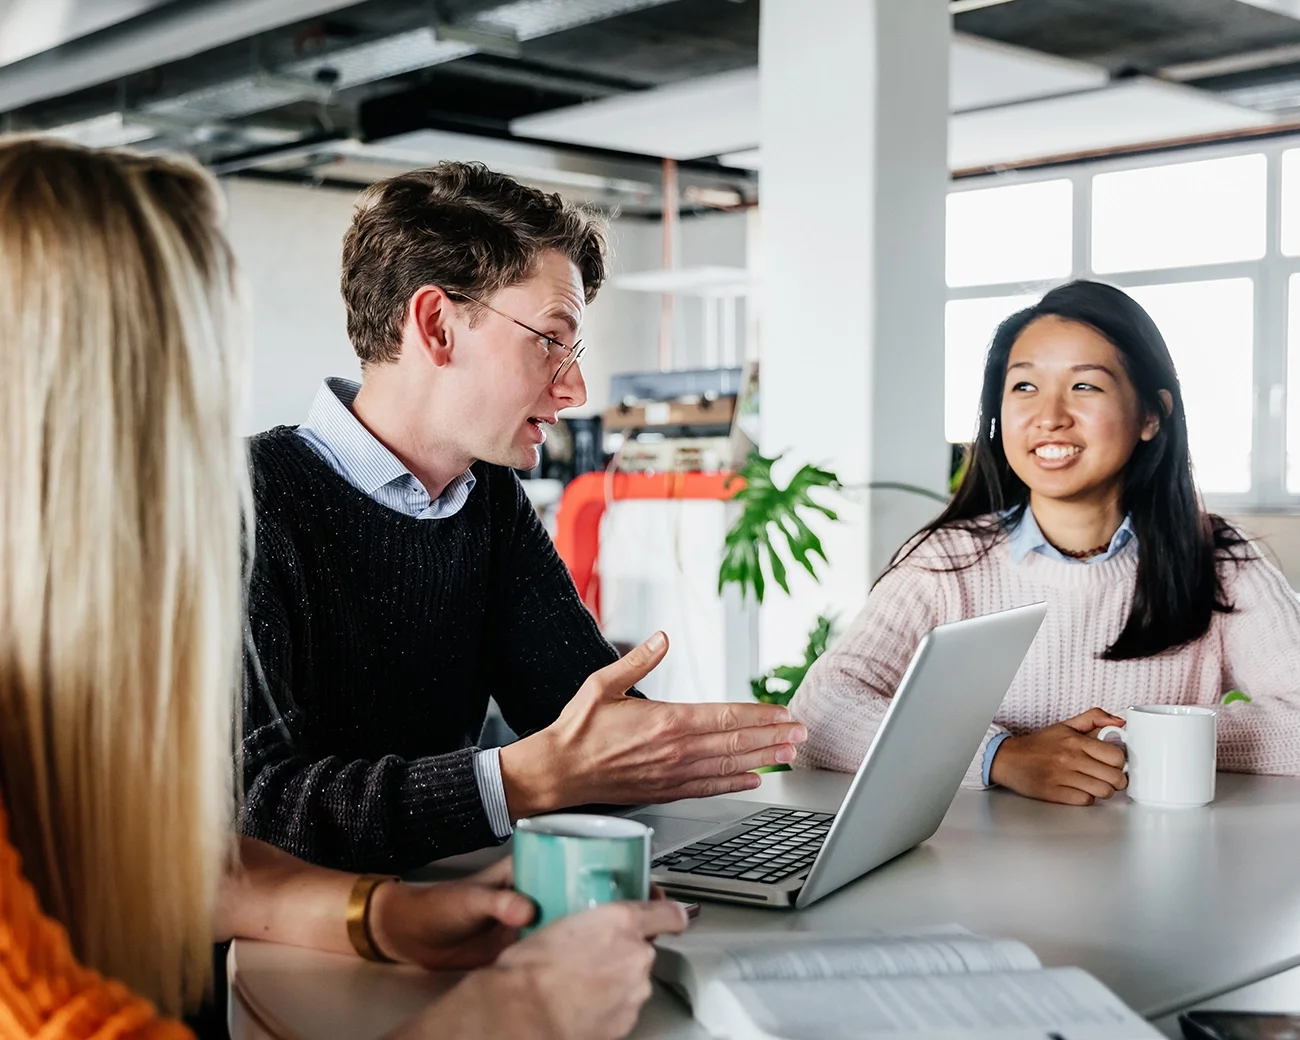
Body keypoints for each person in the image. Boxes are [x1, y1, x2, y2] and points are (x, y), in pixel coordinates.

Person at [0, 135, 685, 1040]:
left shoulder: (57, 659)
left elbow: (165, 864)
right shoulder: (246, 503)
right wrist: (514, 1012)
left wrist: (376, 915)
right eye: (186, 383)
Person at [242, 161, 806, 871]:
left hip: (445, 911)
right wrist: (521, 780)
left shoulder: (488, 500)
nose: (575, 388)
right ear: (437, 325)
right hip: (283, 954)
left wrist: (707, 744)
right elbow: (251, 809)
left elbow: (578, 714)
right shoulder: (241, 501)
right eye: (549, 340)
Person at [791, 280, 1300, 805]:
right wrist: (1000, 756)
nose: (1049, 416)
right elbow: (820, 710)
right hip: (974, 871)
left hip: (1158, 869)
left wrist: (1143, 737)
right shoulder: (948, 561)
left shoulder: (1215, 556)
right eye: (1025, 387)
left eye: (1085, 387)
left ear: (1151, 414)